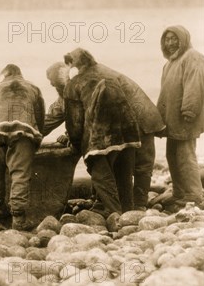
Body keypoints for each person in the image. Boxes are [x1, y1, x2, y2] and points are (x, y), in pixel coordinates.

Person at [64, 48, 166, 210]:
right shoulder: (99, 71)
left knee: (140, 166)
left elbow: (79, 113)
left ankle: (137, 205)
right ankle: (131, 206)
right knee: (130, 163)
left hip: (136, 118)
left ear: (73, 65)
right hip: (132, 119)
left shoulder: (88, 77)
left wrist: (76, 140)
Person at [0, 64, 45, 231]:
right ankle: (18, 219)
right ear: (20, 74)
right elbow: (40, 116)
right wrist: (37, 139)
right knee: (20, 174)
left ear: (4, 76)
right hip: (22, 131)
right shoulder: (33, 88)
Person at [156, 26, 204, 209]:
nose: (170, 43)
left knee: (186, 156)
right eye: (167, 39)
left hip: (186, 118)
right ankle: (179, 193)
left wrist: (190, 111)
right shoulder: (170, 63)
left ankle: (194, 195)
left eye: (174, 39)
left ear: (183, 39)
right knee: (172, 155)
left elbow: (195, 84)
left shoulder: (192, 57)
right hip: (171, 120)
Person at [42, 62, 71, 146]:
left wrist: (69, 136)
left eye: (52, 80)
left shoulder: (79, 94)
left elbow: (85, 119)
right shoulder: (62, 100)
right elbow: (49, 119)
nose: (51, 84)